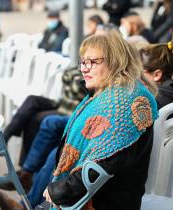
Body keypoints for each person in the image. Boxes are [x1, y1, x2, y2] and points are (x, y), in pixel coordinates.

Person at [42, 31, 158, 210]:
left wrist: (60, 191)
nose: (84, 68)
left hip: (107, 202)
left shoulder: (126, 101)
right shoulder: (105, 94)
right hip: (89, 195)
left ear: (115, 62)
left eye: (93, 62)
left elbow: (105, 162)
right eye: (83, 62)